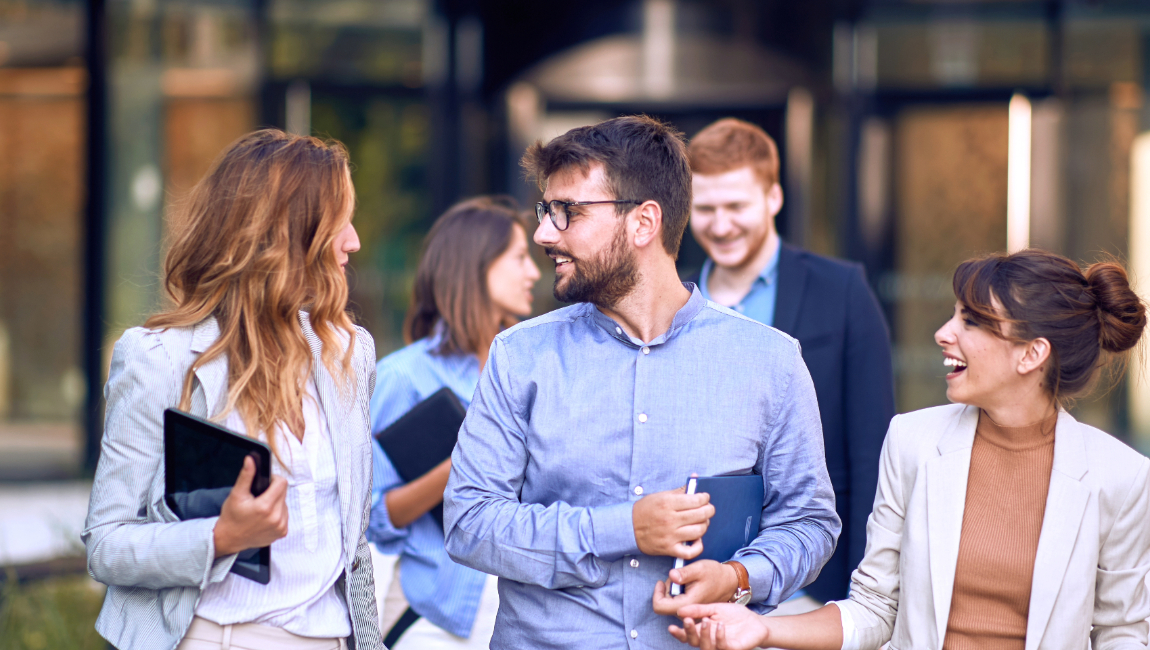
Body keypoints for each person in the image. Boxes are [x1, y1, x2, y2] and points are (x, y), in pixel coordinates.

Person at [442, 115, 840, 650]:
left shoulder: (771, 361)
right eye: (545, 210)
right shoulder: (519, 356)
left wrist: (739, 577)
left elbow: (809, 521)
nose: (543, 233)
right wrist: (624, 528)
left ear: (644, 222)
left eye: (567, 212)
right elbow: (470, 523)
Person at [669, 249, 1150, 650]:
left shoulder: (1120, 478)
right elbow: (876, 608)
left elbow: (1122, 634)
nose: (944, 333)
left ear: (1032, 354)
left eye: (972, 321)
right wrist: (763, 628)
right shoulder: (912, 441)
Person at [82, 129, 384, 650]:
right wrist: (220, 538)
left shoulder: (351, 353)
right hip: (216, 638)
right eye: (340, 222)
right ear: (288, 234)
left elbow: (351, 540)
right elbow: (106, 544)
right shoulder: (158, 358)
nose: (354, 241)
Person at [687, 118, 894, 605]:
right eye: (705, 208)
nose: (721, 225)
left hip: (813, 585)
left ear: (773, 198)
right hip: (697, 583)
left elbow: (873, 452)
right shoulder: (675, 298)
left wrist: (862, 595)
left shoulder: (842, 290)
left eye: (736, 206)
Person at [365, 196, 541, 649]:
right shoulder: (402, 376)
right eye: (520, 258)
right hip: (432, 616)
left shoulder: (529, 370)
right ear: (476, 264)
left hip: (522, 611)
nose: (534, 273)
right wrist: (459, 470)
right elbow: (371, 515)